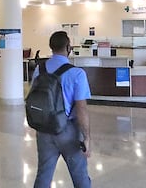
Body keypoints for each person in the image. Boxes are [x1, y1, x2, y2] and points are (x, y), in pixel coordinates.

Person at [31, 31, 92, 188]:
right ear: (68, 47)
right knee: (80, 176)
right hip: (69, 131)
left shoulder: (39, 70)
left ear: (51, 47)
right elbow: (81, 109)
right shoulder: (77, 73)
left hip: (44, 130)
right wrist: (86, 137)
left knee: (43, 175)